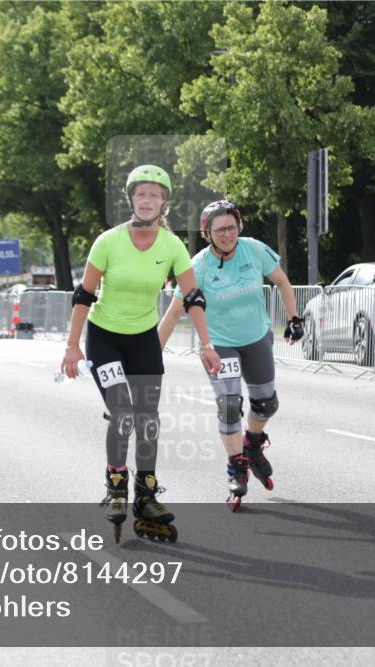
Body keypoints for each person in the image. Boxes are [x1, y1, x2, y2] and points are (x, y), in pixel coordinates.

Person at [60, 165, 221, 542]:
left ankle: (146, 495)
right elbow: (84, 295)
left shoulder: (172, 245)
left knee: (148, 418)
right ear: (131, 199)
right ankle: (116, 485)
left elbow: (192, 297)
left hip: (143, 339)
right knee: (122, 412)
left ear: (164, 202)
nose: (147, 201)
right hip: (104, 339)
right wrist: (71, 346)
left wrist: (207, 344)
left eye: (155, 195)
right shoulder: (108, 241)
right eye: (141, 194)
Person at [158, 200, 303, 512]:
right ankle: (236, 468)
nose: (227, 234)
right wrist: (149, 357)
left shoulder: (254, 250)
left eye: (232, 227)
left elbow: (281, 281)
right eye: (220, 229)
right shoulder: (197, 267)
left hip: (255, 337)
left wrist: (294, 320)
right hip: (219, 343)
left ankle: (252, 442)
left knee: (266, 403)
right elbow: (172, 315)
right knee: (229, 405)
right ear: (208, 233)